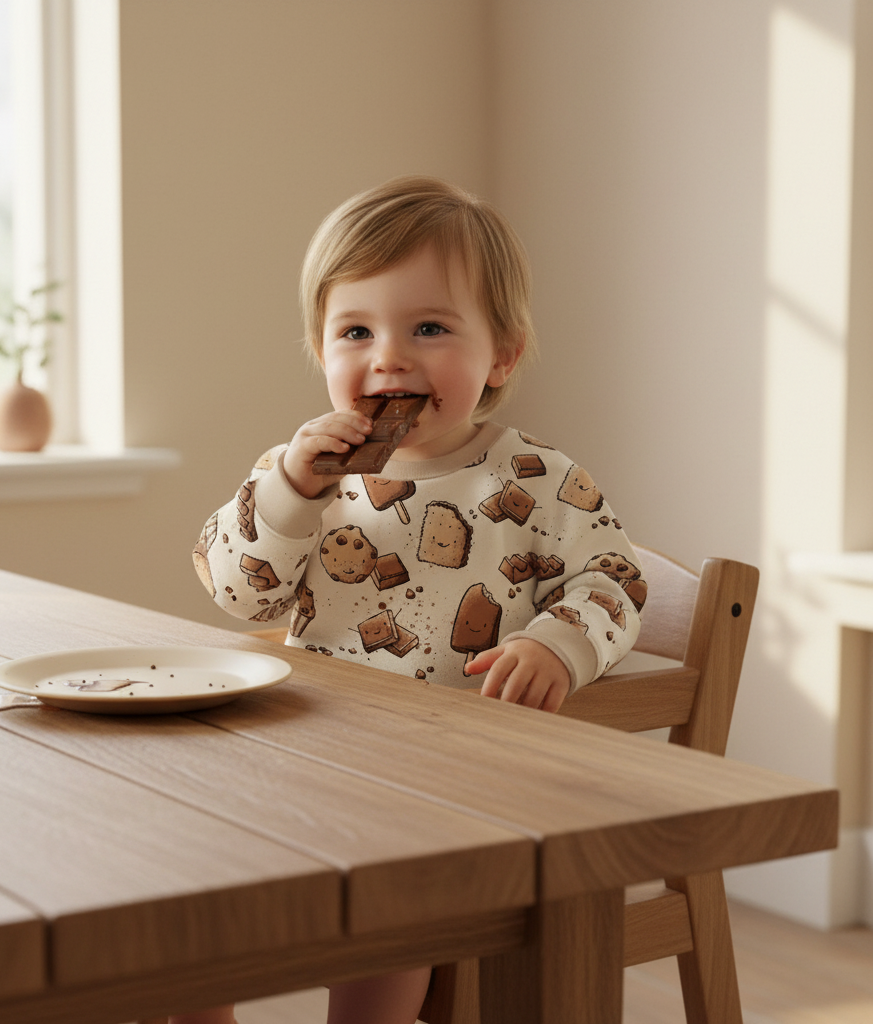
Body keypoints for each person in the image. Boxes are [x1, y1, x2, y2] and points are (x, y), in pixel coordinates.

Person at [184, 176, 646, 1024]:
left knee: (390, 929)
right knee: (178, 894)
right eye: (355, 330)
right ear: (321, 353)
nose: (388, 357)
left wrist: (558, 644)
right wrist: (288, 491)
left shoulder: (538, 481)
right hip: (311, 760)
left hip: (453, 789)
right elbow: (237, 594)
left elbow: (614, 579)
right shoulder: (302, 477)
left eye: (429, 328)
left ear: (500, 354)